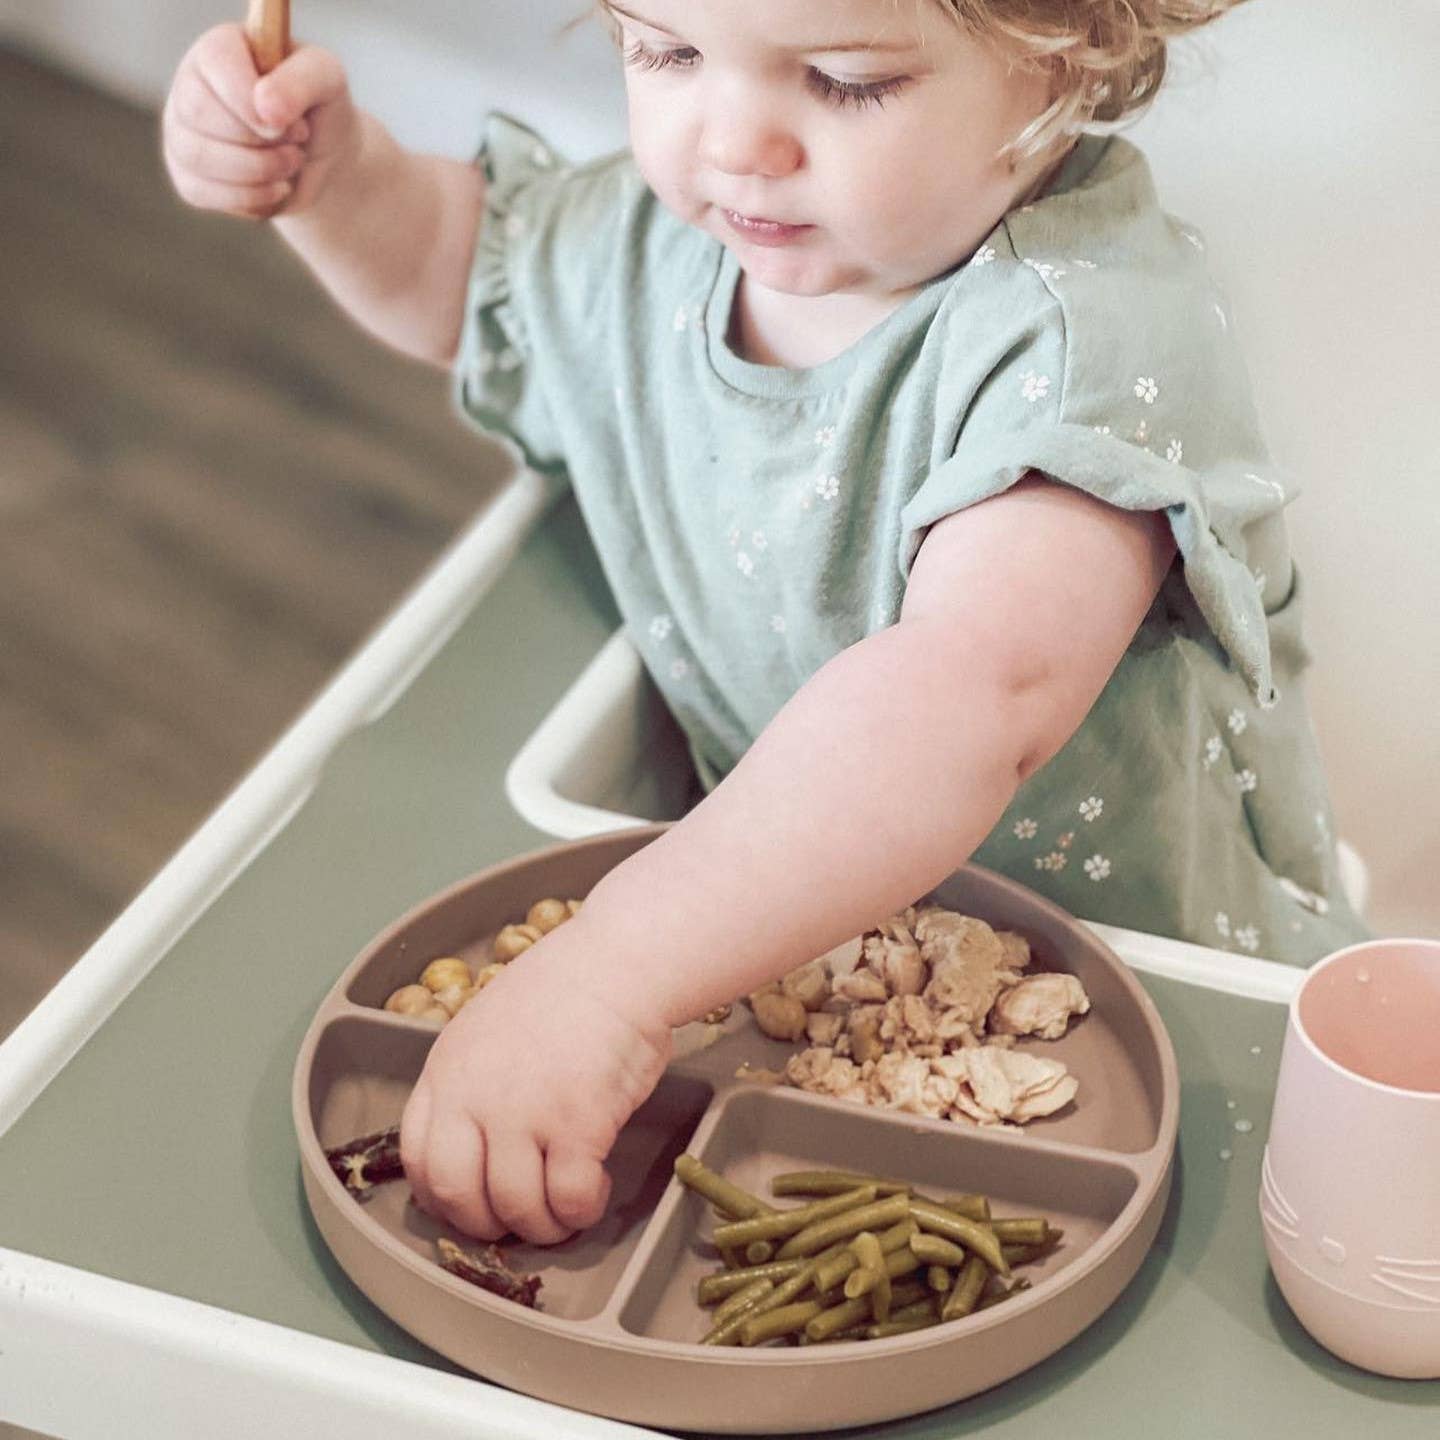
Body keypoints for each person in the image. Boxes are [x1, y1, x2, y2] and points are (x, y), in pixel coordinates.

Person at [163, 0, 1368, 1245]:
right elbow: (467, 275)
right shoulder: (660, 244)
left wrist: (613, 970)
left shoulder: (1086, 340)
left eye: (844, 82)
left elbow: (965, 699)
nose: (733, 143)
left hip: (1130, 1016)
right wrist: (337, 178)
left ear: (1074, 55)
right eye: (666, 50)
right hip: (802, 972)